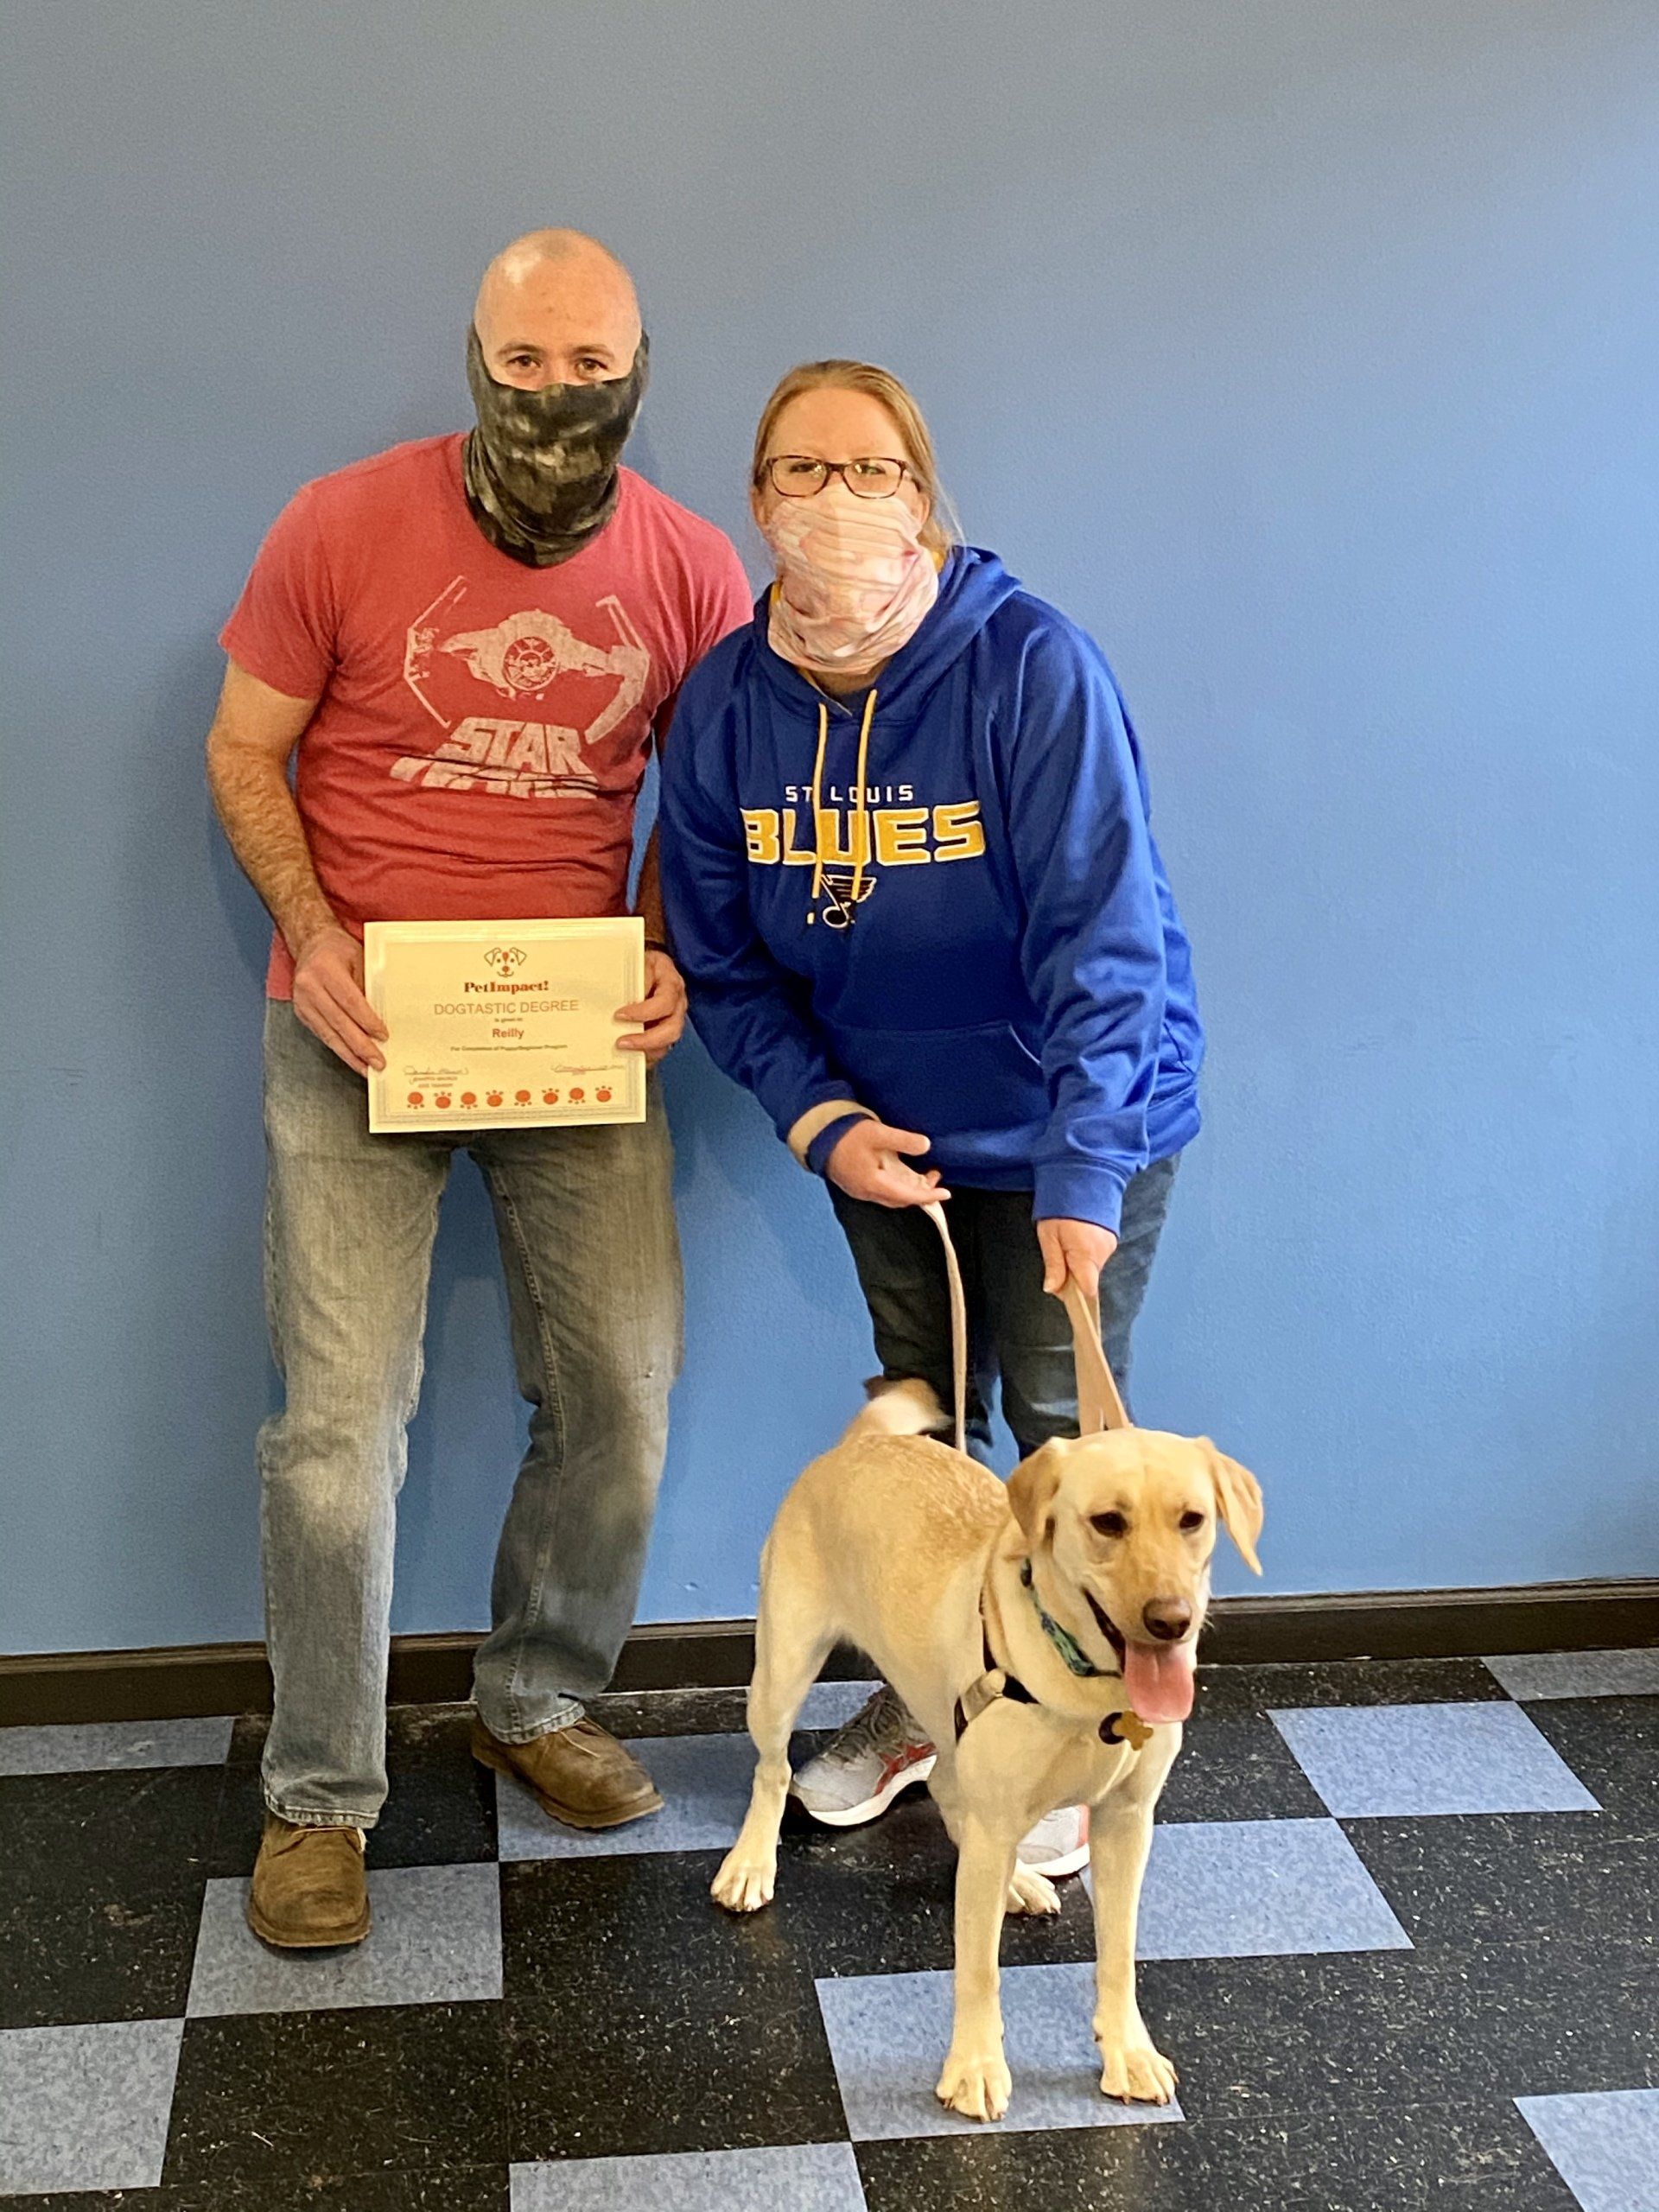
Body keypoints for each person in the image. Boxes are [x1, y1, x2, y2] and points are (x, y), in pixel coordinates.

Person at [207, 231, 751, 1948]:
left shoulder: (687, 567)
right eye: (528, 362)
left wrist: (667, 947)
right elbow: (244, 744)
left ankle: (534, 1694)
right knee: (335, 1436)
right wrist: (317, 931)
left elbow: (715, 794)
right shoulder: (339, 523)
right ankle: (317, 1798)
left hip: (571, 1034)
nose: (561, 389)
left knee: (624, 1393)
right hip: (359, 1021)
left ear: (639, 362)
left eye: (591, 362)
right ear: (476, 355)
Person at [658, 359, 1203, 1881]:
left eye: (873, 471)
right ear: (757, 504)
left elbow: (1113, 940)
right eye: (802, 474)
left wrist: (1083, 1166)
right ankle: (937, 1706)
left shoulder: (1031, 667)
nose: (839, 503)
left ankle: (1092, 1730)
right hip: (885, 1134)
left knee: (1060, 1430)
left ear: (926, 494)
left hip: (1075, 1118)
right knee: (921, 1427)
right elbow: (722, 957)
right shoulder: (723, 708)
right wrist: (817, 1118)